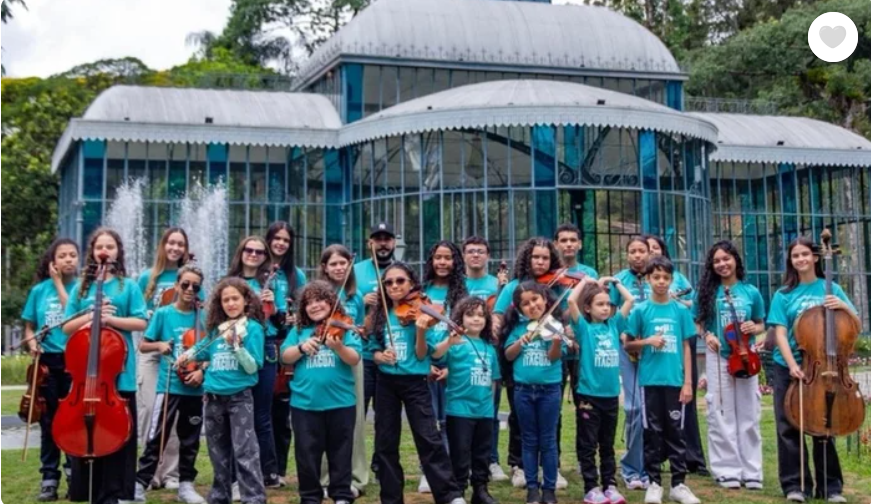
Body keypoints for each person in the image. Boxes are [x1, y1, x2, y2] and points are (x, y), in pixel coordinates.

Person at [367, 263, 466, 504]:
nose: (394, 286)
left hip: (415, 382)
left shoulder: (422, 314)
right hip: (386, 382)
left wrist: (420, 331)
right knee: (385, 442)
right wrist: (382, 357)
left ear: (411, 283)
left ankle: (449, 495)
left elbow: (424, 355)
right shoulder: (379, 316)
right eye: (388, 282)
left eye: (400, 281)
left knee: (428, 438)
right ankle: (391, 498)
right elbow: (372, 351)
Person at [767, 237, 856, 503]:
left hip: (824, 367)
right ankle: (795, 486)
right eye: (795, 256)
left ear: (816, 257)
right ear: (791, 261)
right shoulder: (783, 294)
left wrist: (841, 306)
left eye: (805, 254)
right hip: (789, 367)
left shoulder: (832, 288)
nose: (801, 259)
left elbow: (855, 323)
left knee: (824, 426)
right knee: (788, 427)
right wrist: (793, 365)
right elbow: (780, 333)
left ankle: (831, 487)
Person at [63, 228, 149, 504]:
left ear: (117, 252)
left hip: (116, 378)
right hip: (85, 378)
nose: (105, 250)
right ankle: (85, 489)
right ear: (93, 252)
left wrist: (112, 321)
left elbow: (141, 322)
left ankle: (115, 493)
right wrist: (91, 315)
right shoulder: (83, 287)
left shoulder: (128, 286)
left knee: (118, 436)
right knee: (86, 435)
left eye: (110, 246)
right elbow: (66, 327)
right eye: (100, 246)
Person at [177, 277, 267, 504]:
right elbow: (202, 348)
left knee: (245, 451)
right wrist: (187, 355)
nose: (230, 304)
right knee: (217, 452)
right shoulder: (218, 330)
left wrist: (236, 345)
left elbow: (253, 366)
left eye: (235, 298)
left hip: (239, 397)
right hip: (213, 396)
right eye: (225, 300)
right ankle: (219, 497)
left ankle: (254, 498)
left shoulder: (253, 328)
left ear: (246, 301)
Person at [623, 256, 701, 504]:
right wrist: (647, 342)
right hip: (649, 382)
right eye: (656, 277)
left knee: (676, 433)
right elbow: (628, 343)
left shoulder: (680, 310)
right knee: (652, 433)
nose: (661, 282)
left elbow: (687, 346)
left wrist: (688, 381)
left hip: (675, 381)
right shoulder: (640, 310)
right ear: (647, 280)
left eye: (666, 277)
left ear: (672, 279)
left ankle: (678, 484)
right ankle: (654, 483)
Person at [492, 238, 566, 489]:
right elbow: (499, 316)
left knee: (552, 417)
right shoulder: (513, 286)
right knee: (518, 414)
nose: (541, 261)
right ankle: (518, 465)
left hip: (550, 364)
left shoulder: (557, 286)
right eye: (536, 257)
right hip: (520, 360)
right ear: (527, 258)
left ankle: (551, 467)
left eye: (545, 257)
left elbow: (566, 314)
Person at [280, 281, 362, 504]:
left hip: (341, 403)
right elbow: (284, 356)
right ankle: (310, 496)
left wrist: (338, 347)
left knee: (341, 452)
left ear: (331, 302)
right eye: (309, 303)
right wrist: (300, 348)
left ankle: (342, 495)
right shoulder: (299, 331)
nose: (315, 306)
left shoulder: (344, 329)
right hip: (304, 405)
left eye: (320, 300)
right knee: (306, 454)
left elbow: (354, 358)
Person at [134, 265, 208, 504]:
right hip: (168, 386)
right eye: (185, 284)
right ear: (176, 285)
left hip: (194, 388)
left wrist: (201, 371)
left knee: (190, 439)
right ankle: (140, 484)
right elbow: (143, 345)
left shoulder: (203, 317)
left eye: (195, 286)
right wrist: (159, 346)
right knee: (157, 436)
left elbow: (211, 353)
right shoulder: (163, 314)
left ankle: (186, 485)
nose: (189, 289)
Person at [694, 241, 765, 490]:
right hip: (719, 355)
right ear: (711, 266)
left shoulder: (750, 291)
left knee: (749, 411)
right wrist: (707, 336)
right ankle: (727, 470)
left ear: (735, 259)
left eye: (726, 259)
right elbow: (698, 322)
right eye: (717, 261)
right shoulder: (706, 292)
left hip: (746, 354)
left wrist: (753, 328)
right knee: (721, 411)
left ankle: (752, 470)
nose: (722, 264)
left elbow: (760, 323)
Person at [643, 235, 706, 476]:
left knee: (681, 405)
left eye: (656, 248)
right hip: (651, 346)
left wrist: (676, 300)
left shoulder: (676, 277)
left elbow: (693, 306)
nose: (651, 252)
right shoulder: (641, 279)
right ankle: (654, 459)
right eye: (647, 249)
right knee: (652, 409)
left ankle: (690, 458)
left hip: (679, 339)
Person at [22, 238, 80, 501]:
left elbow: (74, 315)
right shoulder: (38, 291)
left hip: (74, 359)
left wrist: (58, 283)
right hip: (47, 362)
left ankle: (73, 471)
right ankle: (49, 476)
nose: (68, 259)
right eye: (63, 256)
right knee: (48, 421)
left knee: (72, 419)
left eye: (72, 255)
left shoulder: (81, 289)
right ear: (53, 261)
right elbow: (30, 327)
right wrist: (33, 344)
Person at [567, 276, 632, 504]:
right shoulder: (584, 328)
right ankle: (591, 487)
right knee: (587, 443)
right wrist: (586, 283)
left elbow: (630, 299)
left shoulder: (614, 326)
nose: (605, 308)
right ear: (589, 308)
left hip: (611, 396)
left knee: (607, 444)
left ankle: (610, 485)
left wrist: (614, 283)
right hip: (588, 396)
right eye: (600, 304)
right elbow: (572, 302)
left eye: (608, 305)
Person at [136, 227, 193, 490]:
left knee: (173, 411)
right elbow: (137, 313)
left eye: (180, 244)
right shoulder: (147, 277)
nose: (175, 248)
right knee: (151, 410)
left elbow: (196, 314)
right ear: (163, 245)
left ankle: (169, 474)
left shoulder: (188, 277)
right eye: (171, 243)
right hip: (151, 349)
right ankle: (150, 472)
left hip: (178, 353)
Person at [502, 282, 566, 504]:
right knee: (528, 440)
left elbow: (553, 357)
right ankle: (532, 488)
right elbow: (509, 356)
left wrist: (556, 341)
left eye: (535, 300)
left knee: (548, 440)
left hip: (549, 389)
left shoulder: (555, 326)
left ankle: (549, 489)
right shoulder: (519, 328)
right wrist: (520, 342)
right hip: (523, 390)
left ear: (545, 300)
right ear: (519, 309)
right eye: (526, 303)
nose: (532, 305)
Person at [432, 297, 501, 504]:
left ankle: (480, 489)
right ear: (460, 318)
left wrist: (490, 406)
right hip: (460, 410)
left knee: (482, 454)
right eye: (470, 315)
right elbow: (435, 355)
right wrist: (448, 342)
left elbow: (494, 380)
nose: (476, 319)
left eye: (481, 315)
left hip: (484, 410)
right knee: (460, 454)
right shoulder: (455, 343)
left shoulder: (490, 347)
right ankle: (458, 490)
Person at [227, 236, 283, 489]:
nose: (253, 254)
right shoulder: (230, 282)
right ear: (240, 251)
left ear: (265, 257)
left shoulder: (271, 283)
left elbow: (280, 322)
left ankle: (268, 471)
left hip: (265, 345)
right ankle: (235, 472)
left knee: (261, 413)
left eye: (259, 252)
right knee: (236, 412)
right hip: (234, 347)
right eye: (249, 249)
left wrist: (271, 303)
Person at [419, 240, 468, 493]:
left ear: (455, 261)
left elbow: (468, 333)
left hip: (453, 365)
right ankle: (427, 471)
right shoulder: (421, 290)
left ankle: (451, 471)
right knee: (428, 423)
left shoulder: (462, 292)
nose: (442, 262)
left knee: (451, 421)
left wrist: (453, 367)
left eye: (447, 257)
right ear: (431, 260)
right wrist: (425, 363)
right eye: (438, 257)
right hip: (425, 364)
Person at [319, 244, 369, 496]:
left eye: (343, 263)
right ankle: (327, 477)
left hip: (350, 359)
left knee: (354, 420)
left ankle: (356, 477)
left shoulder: (356, 296)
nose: (339, 268)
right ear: (325, 268)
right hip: (324, 361)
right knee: (326, 420)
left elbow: (357, 327)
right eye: (334, 264)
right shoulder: (318, 295)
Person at [461, 236, 509, 483]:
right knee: (463, 411)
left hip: (490, 351)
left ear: (487, 256)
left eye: (480, 251)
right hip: (463, 353)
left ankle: (491, 460)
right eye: (471, 251)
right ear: (464, 255)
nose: (476, 255)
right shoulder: (458, 285)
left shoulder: (496, 283)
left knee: (489, 408)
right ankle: (465, 460)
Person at [554, 223, 599, 477]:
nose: (568, 244)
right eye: (563, 240)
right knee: (555, 407)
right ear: (556, 243)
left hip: (583, 349)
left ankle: (585, 459)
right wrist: (562, 328)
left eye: (573, 240)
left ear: (579, 244)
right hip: (557, 347)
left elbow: (593, 308)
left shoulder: (588, 273)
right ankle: (554, 460)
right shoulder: (550, 273)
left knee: (586, 407)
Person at [265, 222, 307, 487]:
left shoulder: (296, 275)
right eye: (276, 238)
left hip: (285, 340)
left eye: (286, 240)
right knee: (261, 411)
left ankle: (278, 469)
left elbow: (303, 309)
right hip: (262, 341)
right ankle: (261, 466)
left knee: (281, 413)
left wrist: (291, 317)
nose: (280, 243)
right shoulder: (259, 271)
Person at [354, 222, 397, 481]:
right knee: (358, 413)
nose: (382, 243)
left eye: (387, 239)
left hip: (389, 353)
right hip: (363, 354)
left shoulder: (399, 271)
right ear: (369, 242)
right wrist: (362, 298)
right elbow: (342, 298)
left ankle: (381, 464)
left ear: (393, 243)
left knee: (387, 417)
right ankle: (353, 466)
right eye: (377, 239)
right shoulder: (356, 270)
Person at [608, 236, 651, 490]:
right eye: (632, 251)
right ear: (627, 255)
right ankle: (631, 467)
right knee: (634, 409)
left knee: (652, 410)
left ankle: (648, 466)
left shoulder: (657, 275)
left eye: (641, 251)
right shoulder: (618, 280)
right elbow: (611, 313)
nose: (637, 255)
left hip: (653, 350)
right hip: (626, 349)